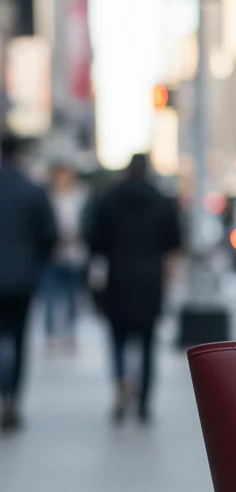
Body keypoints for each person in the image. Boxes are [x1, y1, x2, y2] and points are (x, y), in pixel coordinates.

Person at [87, 153, 181, 423]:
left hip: (117, 277)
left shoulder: (109, 199)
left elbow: (94, 241)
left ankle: (120, 382)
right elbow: (174, 242)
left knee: (117, 338)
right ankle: (143, 402)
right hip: (151, 280)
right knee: (148, 341)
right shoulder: (161, 201)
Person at [0, 135, 57, 433]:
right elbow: (49, 234)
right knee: (19, 340)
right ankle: (12, 399)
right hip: (22, 279)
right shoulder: (32, 190)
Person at [42, 163, 90, 349]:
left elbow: (86, 222)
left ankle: (69, 333)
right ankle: (51, 334)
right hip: (53, 253)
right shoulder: (48, 196)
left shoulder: (80, 196)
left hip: (74, 253)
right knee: (50, 296)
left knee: (72, 296)